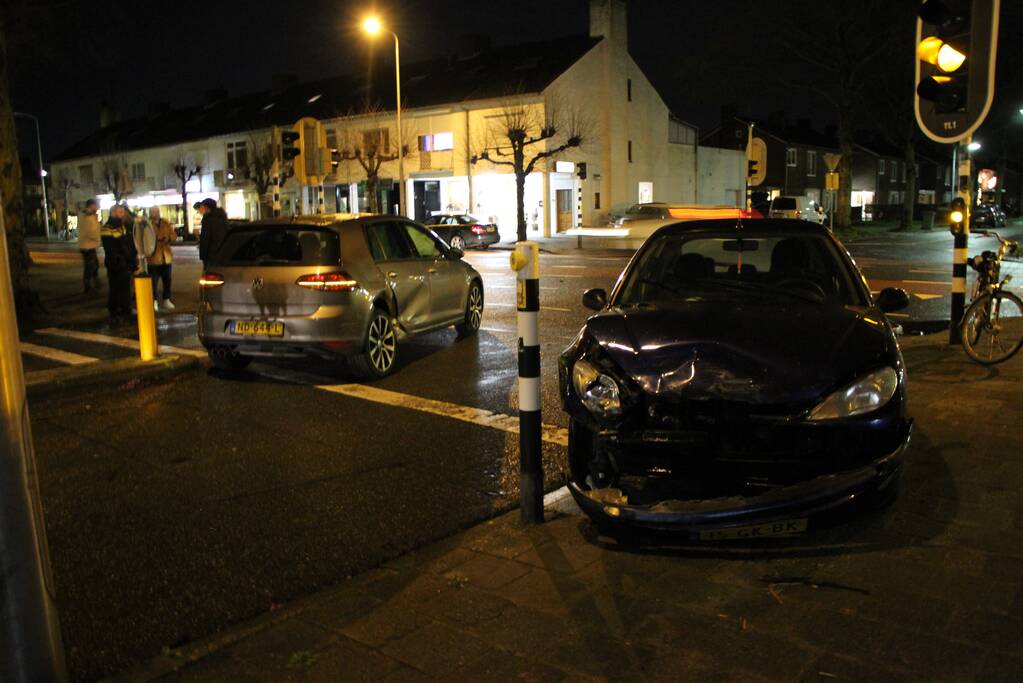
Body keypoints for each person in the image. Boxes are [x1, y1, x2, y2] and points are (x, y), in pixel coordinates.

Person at [101, 204, 138, 324]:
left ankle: (125, 308)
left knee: (125, 287)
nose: (123, 215)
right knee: (115, 288)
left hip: (124, 261)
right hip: (115, 263)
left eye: (123, 212)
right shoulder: (108, 228)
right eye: (121, 212)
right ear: (114, 213)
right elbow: (111, 247)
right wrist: (119, 260)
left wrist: (131, 259)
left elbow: (128, 243)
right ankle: (114, 311)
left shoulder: (122, 226)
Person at [147, 206, 177, 310]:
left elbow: (174, 236)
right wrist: (156, 239)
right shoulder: (147, 225)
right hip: (153, 257)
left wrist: (168, 238)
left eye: (157, 211)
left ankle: (166, 299)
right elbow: (145, 239)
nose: (156, 213)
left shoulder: (165, 223)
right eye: (153, 212)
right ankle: (154, 300)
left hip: (166, 256)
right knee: (153, 282)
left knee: (167, 279)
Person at [77, 198, 102, 292]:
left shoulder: (89, 216)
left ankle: (94, 283)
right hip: (87, 246)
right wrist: (97, 238)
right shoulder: (87, 217)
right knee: (90, 266)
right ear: (91, 206)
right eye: (96, 205)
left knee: (94, 265)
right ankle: (88, 286)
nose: (97, 207)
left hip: (89, 245)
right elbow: (91, 231)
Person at [196, 198, 228, 266]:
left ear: (207, 207)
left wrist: (203, 255)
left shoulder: (208, 219)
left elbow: (205, 238)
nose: (203, 209)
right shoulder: (222, 217)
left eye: (203, 207)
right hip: (222, 253)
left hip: (210, 254)